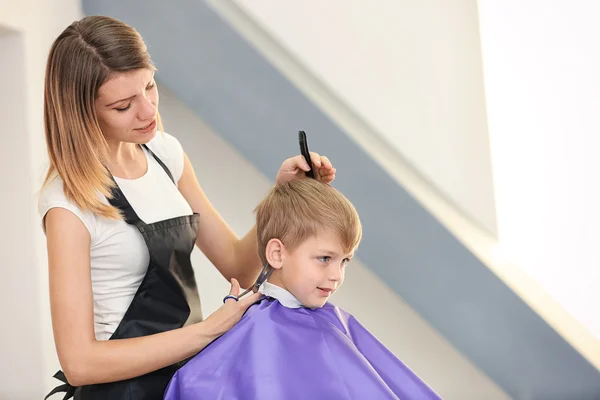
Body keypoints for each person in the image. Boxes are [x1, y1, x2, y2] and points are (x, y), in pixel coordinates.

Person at [39, 15, 336, 400]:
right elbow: (80, 363)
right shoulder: (68, 203)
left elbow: (236, 263)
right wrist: (209, 330)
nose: (148, 111)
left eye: (149, 85)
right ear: (81, 112)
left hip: (184, 381)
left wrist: (279, 196)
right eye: (124, 105)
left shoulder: (165, 154)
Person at [163, 179, 441, 400]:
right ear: (277, 254)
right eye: (324, 259)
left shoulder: (335, 323)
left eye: (344, 261)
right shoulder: (255, 329)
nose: (336, 276)